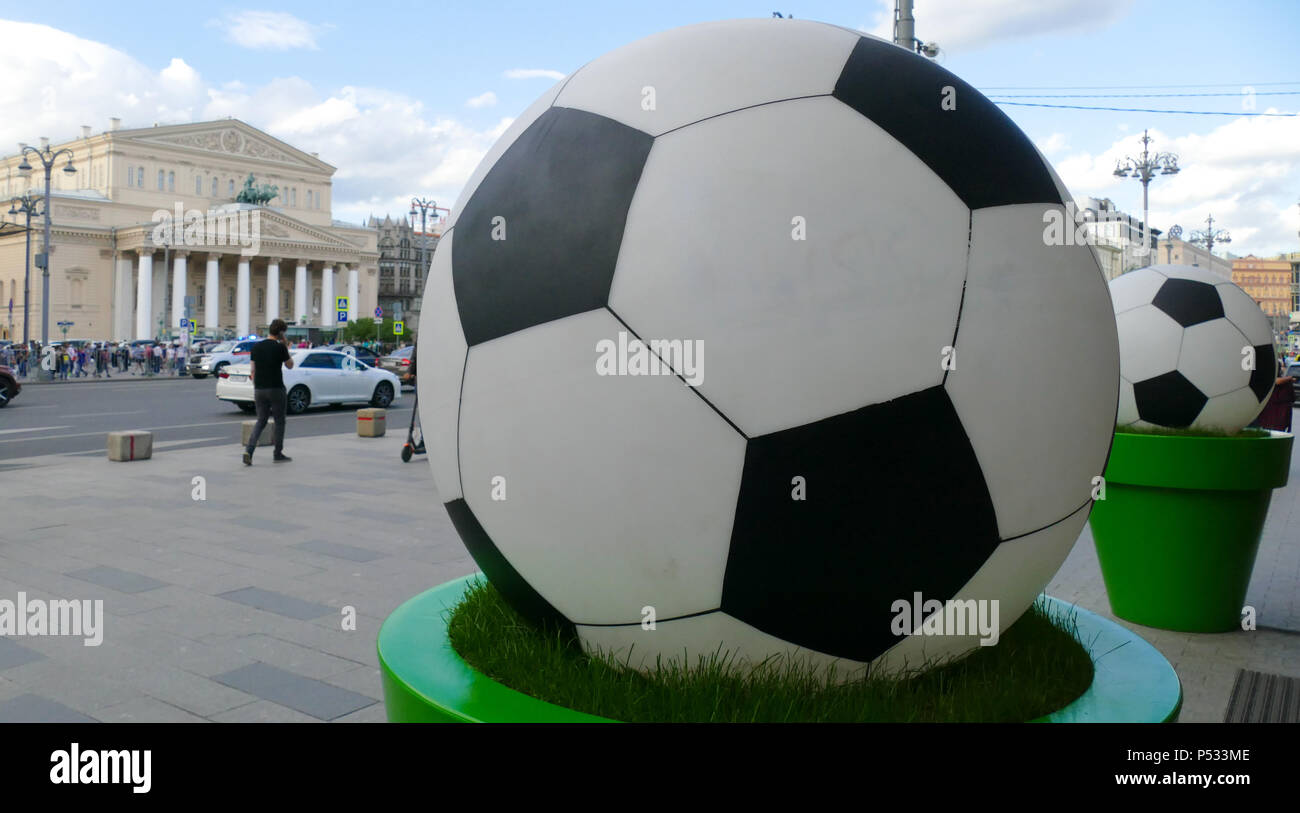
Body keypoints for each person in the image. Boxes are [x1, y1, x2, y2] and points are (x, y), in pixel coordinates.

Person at [244, 318, 295, 465]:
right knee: (279, 421)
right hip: (276, 388)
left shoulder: (256, 347)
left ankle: (249, 450)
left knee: (261, 420)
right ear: (280, 333)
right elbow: (290, 365)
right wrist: (285, 346)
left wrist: (257, 385)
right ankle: (277, 453)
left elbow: (252, 370)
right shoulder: (280, 347)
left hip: (259, 389)